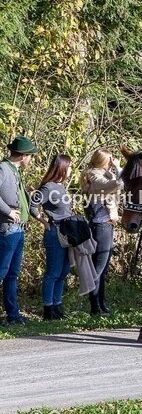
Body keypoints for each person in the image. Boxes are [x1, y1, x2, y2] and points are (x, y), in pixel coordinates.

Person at [30, 155, 74, 320]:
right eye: (69, 167)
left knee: (63, 271)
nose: (71, 170)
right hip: (54, 233)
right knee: (53, 272)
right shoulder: (48, 187)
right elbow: (32, 205)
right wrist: (43, 220)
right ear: (61, 168)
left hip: (67, 233)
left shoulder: (60, 186)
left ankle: (57, 306)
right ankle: (48, 309)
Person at [0, 137, 38, 325]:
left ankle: (13, 315)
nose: (31, 159)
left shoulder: (14, 170)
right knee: (2, 272)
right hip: (7, 228)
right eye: (30, 156)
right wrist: (7, 211)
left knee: (12, 274)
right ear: (23, 156)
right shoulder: (3, 168)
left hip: (19, 228)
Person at [82, 148, 122, 317]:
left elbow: (118, 187)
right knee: (98, 268)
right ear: (103, 161)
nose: (111, 162)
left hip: (106, 225)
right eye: (109, 160)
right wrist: (119, 169)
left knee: (103, 268)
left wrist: (115, 170)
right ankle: (95, 307)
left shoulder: (102, 174)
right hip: (101, 226)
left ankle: (101, 304)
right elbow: (117, 185)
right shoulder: (94, 176)